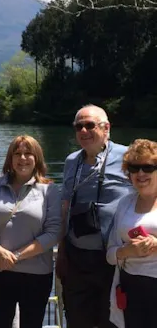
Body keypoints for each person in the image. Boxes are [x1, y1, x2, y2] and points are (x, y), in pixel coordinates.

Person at [0, 135, 61, 328]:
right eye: (17, 153)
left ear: (36, 158)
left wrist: (15, 256)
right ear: (10, 159)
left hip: (36, 275)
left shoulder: (49, 190)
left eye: (28, 153)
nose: (22, 158)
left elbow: (53, 233)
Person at [58, 105, 132, 328]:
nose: (83, 131)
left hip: (114, 259)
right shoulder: (72, 161)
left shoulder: (128, 157)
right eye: (78, 126)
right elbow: (65, 207)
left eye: (89, 125)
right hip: (77, 258)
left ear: (106, 128)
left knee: (112, 321)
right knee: (77, 321)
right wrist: (62, 251)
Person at [107, 139, 157, 328]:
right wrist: (127, 251)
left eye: (148, 167)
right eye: (134, 168)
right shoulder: (124, 204)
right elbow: (110, 254)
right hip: (131, 287)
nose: (141, 173)